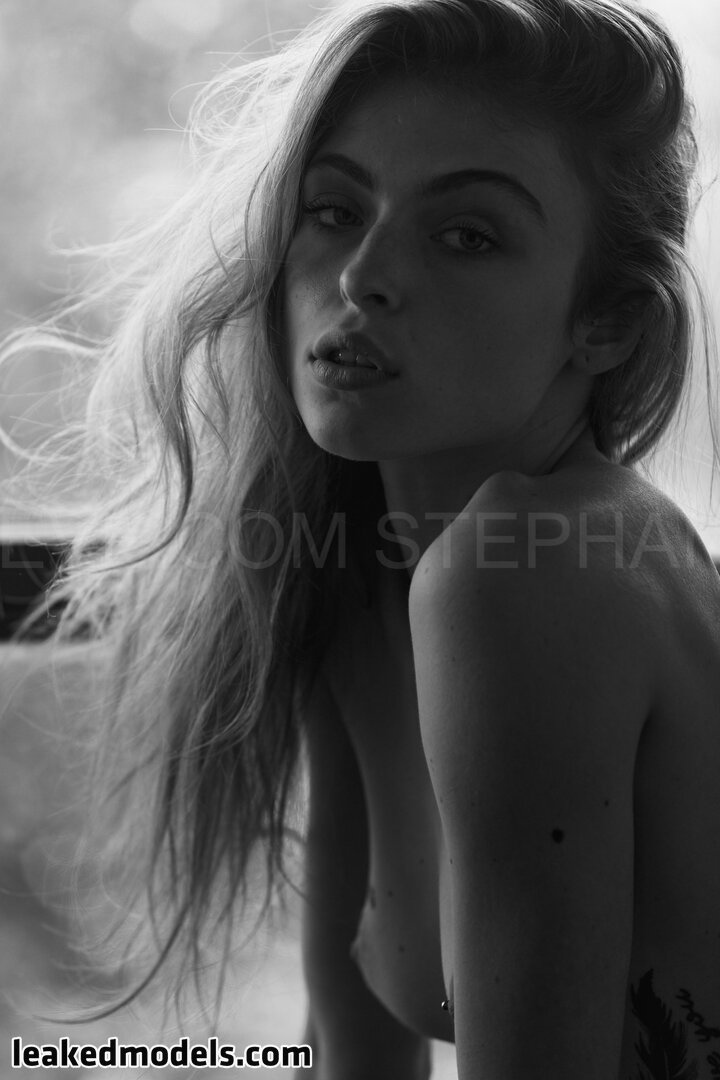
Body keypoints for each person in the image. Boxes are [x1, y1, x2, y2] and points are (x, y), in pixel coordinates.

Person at [7, 0, 720, 1076]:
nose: (361, 276)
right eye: (335, 209)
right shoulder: (354, 566)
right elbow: (357, 1056)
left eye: (467, 235)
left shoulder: (541, 565)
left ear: (607, 321)